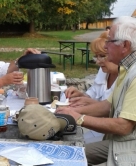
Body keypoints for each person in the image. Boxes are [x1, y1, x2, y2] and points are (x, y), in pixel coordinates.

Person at [56, 16, 136, 165]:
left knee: (71, 158)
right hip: (118, 143)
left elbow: (124, 126)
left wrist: (79, 118)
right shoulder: (125, 68)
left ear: (125, 46)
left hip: (130, 149)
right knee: (72, 154)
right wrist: (72, 110)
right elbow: (107, 106)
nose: (105, 47)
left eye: (110, 41)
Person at [65, 31, 119, 143]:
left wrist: (75, 112)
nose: (98, 62)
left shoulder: (126, 77)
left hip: (111, 134)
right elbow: (93, 94)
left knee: (74, 143)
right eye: (96, 56)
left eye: (102, 56)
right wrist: (80, 95)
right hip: (96, 128)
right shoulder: (104, 70)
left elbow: (109, 109)